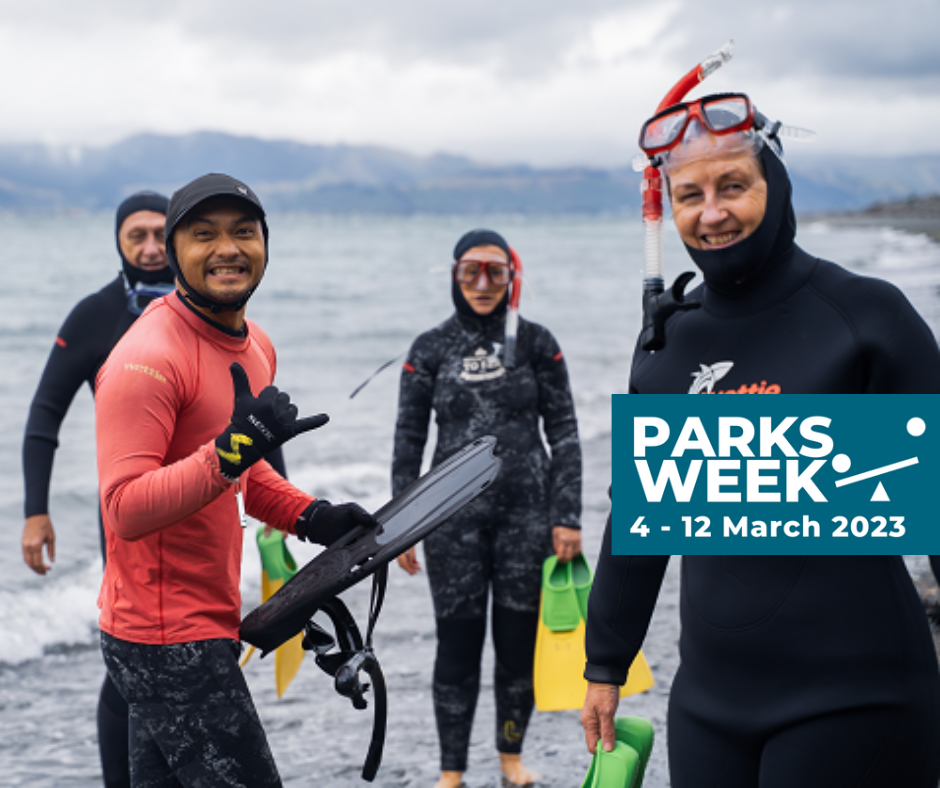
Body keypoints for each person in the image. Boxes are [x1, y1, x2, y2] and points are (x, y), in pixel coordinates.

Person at [581, 93, 940, 786]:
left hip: (861, 698)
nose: (711, 213)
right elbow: (638, 518)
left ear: (775, 188)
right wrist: (604, 665)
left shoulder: (866, 318)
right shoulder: (668, 340)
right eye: (689, 195)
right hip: (709, 708)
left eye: (732, 186)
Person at [94, 173, 376, 787]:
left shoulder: (255, 347)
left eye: (243, 232)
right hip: (165, 638)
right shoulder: (146, 360)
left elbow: (242, 475)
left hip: (202, 622)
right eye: (204, 235)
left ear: (266, 245)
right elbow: (124, 507)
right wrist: (231, 450)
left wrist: (312, 515)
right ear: (174, 252)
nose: (227, 248)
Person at [392, 229, 583, 788]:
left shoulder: (538, 343)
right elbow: (407, 440)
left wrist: (566, 514)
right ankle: (451, 773)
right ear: (454, 274)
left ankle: (510, 759)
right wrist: (400, 527)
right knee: (457, 646)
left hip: (528, 518)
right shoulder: (429, 348)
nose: (481, 284)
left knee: (517, 645)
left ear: (512, 277)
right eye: (470, 271)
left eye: (495, 272)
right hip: (452, 524)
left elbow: (565, 431)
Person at [21, 191, 175, 788]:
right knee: (131, 663)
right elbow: (43, 416)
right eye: (136, 234)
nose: (150, 246)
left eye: (161, 232)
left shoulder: (209, 310)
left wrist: (280, 510)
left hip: (208, 517)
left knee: (200, 655)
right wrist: (36, 511)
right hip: (131, 519)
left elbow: (253, 411)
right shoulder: (97, 315)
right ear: (118, 241)